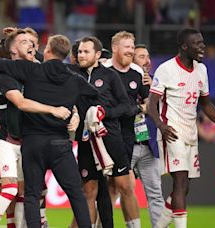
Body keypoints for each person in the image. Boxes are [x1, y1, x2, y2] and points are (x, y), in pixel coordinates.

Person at [0, 34, 100, 228]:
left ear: (47, 51)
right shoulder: (73, 78)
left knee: (32, 195)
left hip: (33, 142)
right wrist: (75, 110)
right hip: (60, 143)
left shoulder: (32, 70)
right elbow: (95, 95)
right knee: (76, 193)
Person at [0, 29, 71, 228]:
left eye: (32, 42)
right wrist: (53, 110)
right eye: (24, 42)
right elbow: (21, 103)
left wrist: (72, 112)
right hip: (6, 139)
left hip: (29, 140)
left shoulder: (39, 71)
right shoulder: (6, 74)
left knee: (28, 192)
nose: (30, 44)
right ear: (13, 49)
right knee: (9, 191)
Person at [149, 27, 215, 228]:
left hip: (190, 132)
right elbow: (151, 103)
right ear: (184, 46)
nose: (203, 47)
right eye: (197, 43)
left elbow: (206, 104)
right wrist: (160, 125)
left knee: (184, 187)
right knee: (180, 183)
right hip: (171, 132)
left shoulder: (202, 70)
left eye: (202, 42)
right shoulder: (166, 69)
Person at [70, 36, 132, 228]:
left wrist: (106, 113)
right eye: (79, 51)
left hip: (110, 138)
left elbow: (126, 106)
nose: (81, 55)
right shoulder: (71, 74)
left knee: (122, 185)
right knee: (89, 190)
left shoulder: (109, 75)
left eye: (86, 51)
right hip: (85, 140)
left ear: (97, 54)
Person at [103, 31, 144, 228]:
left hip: (127, 135)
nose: (131, 51)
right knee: (111, 187)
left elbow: (146, 100)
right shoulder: (102, 69)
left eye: (132, 47)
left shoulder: (138, 72)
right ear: (115, 48)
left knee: (121, 186)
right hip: (104, 134)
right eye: (127, 47)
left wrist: (141, 108)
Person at [132, 44, 164, 227]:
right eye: (142, 56)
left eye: (148, 56)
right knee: (114, 191)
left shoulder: (157, 84)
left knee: (155, 194)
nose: (147, 60)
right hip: (127, 145)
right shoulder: (121, 80)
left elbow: (167, 110)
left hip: (148, 145)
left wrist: (154, 90)